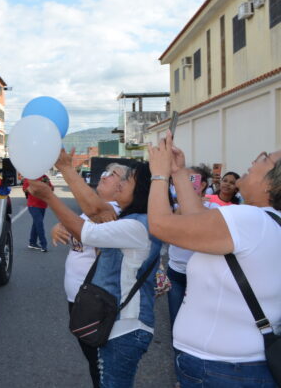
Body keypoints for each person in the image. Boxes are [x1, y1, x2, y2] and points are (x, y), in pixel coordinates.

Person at [148, 134, 281, 387]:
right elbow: (196, 218)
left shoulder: (250, 220)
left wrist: (159, 175)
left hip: (221, 369)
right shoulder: (264, 222)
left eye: (265, 158)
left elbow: (160, 225)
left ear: (271, 184)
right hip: (233, 366)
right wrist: (178, 172)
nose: (256, 159)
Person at [29, 161, 161, 388]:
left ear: (140, 190)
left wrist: (51, 196)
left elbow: (91, 224)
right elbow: (85, 225)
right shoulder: (128, 218)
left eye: (122, 177)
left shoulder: (127, 220)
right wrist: (61, 226)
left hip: (116, 319)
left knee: (105, 375)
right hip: (97, 308)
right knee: (100, 370)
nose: (109, 178)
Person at [50, 150, 132, 388]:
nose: (104, 176)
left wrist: (66, 171)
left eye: (112, 174)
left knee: (101, 366)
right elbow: (82, 222)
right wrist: (59, 226)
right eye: (105, 172)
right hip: (79, 298)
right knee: (94, 362)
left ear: (124, 186)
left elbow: (98, 217)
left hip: (97, 301)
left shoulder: (114, 210)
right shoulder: (90, 208)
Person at [166, 164, 217, 327]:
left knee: (200, 321)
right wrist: (183, 204)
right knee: (176, 319)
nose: (185, 184)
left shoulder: (213, 208)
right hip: (175, 271)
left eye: (190, 179)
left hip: (202, 274)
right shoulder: (176, 208)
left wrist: (197, 205)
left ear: (202, 184)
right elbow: (170, 232)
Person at [22, 175, 51, 252]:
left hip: (43, 205)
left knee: (36, 224)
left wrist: (47, 183)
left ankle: (32, 243)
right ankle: (44, 245)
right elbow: (25, 189)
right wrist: (36, 185)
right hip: (33, 205)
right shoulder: (29, 177)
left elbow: (51, 189)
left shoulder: (45, 176)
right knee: (39, 223)